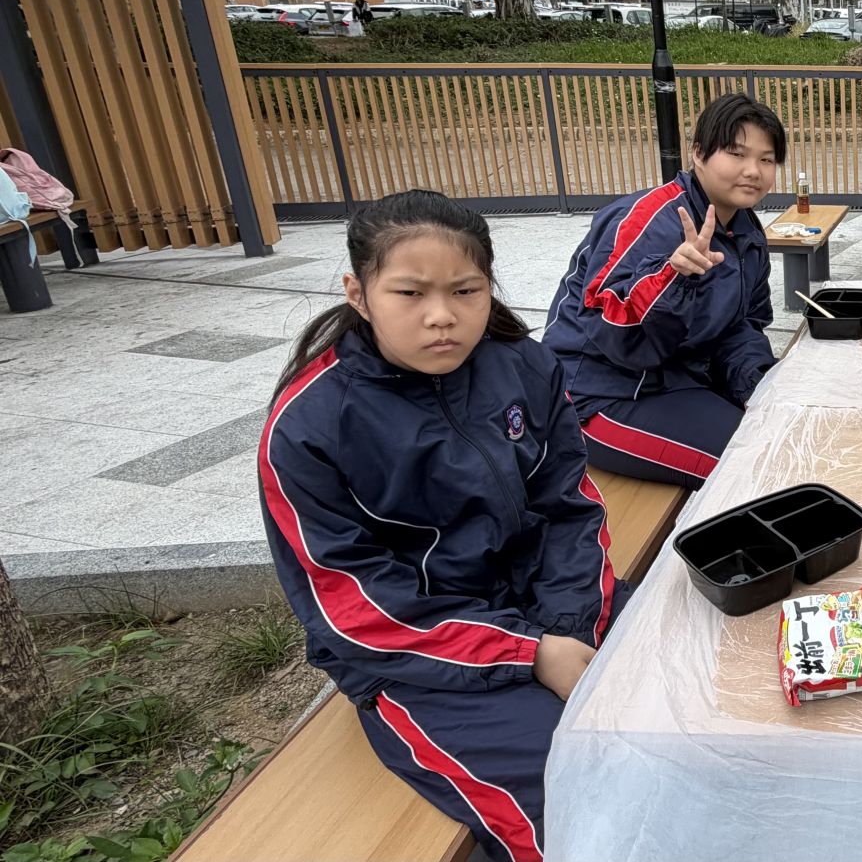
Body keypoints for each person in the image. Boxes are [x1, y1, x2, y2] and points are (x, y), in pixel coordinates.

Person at [259, 190, 623, 861]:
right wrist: (531, 654)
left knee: (689, 683)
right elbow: (354, 613)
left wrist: (568, 630)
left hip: (546, 610)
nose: (442, 317)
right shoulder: (310, 427)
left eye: (465, 290)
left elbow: (570, 508)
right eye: (410, 293)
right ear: (358, 293)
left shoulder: (521, 364)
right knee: (573, 792)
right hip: (418, 659)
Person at [543, 93, 783, 487]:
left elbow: (743, 327)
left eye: (767, 159)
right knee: (756, 468)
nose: (753, 170)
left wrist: (758, 385)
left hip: (676, 380)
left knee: (786, 433)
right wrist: (673, 276)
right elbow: (615, 332)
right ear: (699, 154)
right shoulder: (645, 219)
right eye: (736, 154)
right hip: (601, 396)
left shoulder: (747, 232)